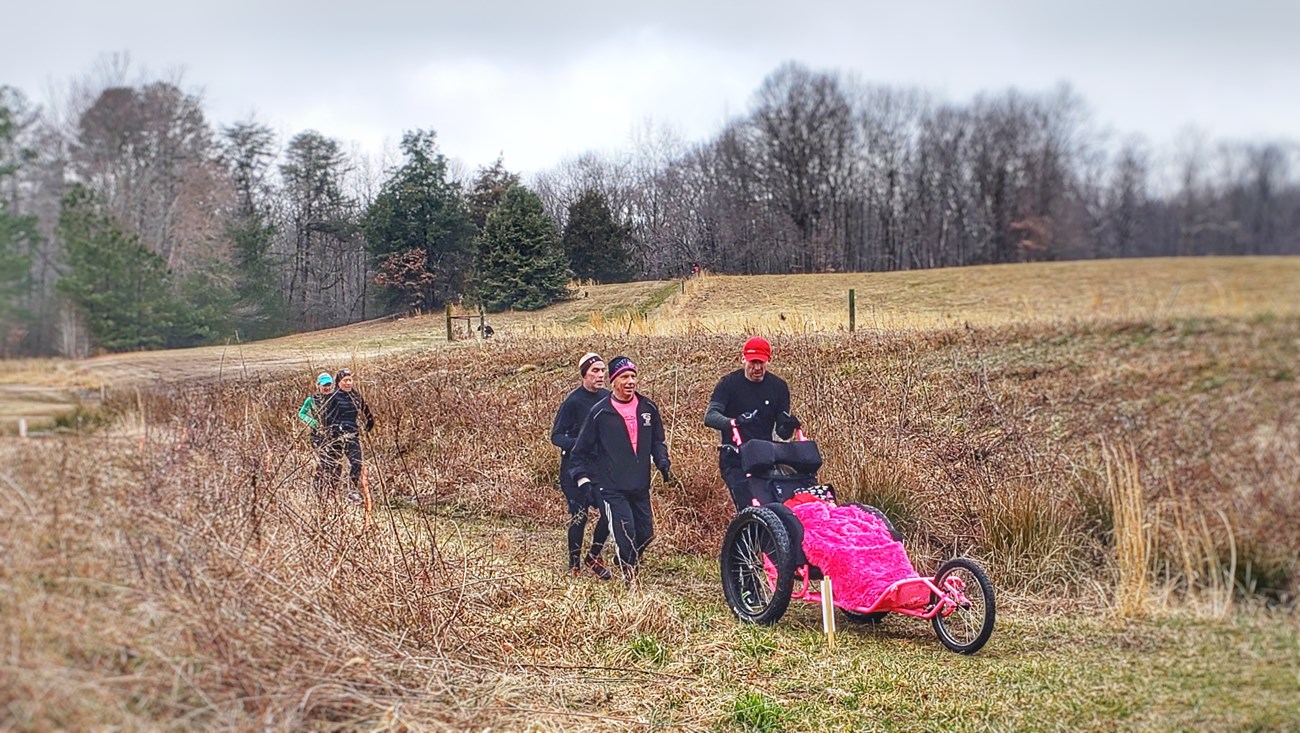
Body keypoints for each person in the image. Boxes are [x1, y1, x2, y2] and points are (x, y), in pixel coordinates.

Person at [570, 356, 670, 586]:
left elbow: (658, 440)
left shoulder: (648, 408)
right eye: (624, 377)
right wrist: (583, 479)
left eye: (633, 376)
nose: (630, 381)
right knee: (625, 534)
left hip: (640, 484)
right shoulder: (599, 412)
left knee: (645, 534)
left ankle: (624, 559)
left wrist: (662, 460)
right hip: (610, 487)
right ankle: (630, 581)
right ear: (613, 381)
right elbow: (579, 451)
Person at [703, 337, 801, 510]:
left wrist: (788, 424)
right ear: (743, 359)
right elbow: (710, 417)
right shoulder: (728, 384)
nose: (757, 368)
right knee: (749, 507)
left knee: (774, 507)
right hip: (734, 457)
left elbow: (782, 432)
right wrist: (735, 422)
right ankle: (746, 535)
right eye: (753, 362)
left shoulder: (778, 387)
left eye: (761, 363)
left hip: (765, 457)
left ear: (768, 361)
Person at [550, 352, 613, 580]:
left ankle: (594, 556)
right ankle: (574, 565)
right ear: (584, 374)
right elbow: (556, 436)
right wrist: (580, 443)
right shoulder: (573, 402)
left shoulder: (608, 398)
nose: (600, 375)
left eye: (602, 370)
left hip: (601, 470)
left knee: (610, 513)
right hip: (574, 470)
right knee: (579, 516)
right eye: (595, 370)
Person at [321, 368, 376, 502]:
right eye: (345, 380)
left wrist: (370, 422)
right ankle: (331, 493)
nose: (348, 383)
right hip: (337, 437)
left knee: (356, 462)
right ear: (339, 382)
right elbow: (325, 417)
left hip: (352, 435)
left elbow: (365, 409)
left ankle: (352, 491)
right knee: (334, 465)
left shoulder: (355, 395)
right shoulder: (333, 397)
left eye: (350, 380)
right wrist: (334, 430)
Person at [297, 372, 336, 493]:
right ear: (318, 385)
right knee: (323, 460)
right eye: (324, 385)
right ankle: (318, 487)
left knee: (334, 462)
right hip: (318, 435)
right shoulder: (311, 400)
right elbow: (301, 413)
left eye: (329, 384)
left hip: (333, 434)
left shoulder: (335, 398)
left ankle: (331, 488)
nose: (327, 387)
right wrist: (312, 422)